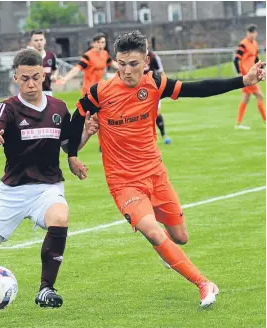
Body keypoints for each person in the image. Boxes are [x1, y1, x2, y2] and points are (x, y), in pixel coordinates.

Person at [66, 31, 265, 308]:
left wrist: (243, 80)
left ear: (146, 61)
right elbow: (74, 123)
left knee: (180, 237)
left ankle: (167, 251)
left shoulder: (155, 83)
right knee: (154, 231)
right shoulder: (99, 93)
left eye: (133, 63)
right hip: (124, 182)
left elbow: (198, 88)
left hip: (156, 174)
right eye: (121, 63)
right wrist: (72, 155)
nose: (126, 70)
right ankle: (204, 283)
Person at [0, 48, 98, 320]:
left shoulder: (59, 108)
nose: (30, 83)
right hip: (12, 192)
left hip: (47, 188)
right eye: (24, 78)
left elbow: (68, 147)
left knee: (60, 217)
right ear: (15, 77)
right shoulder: (8, 108)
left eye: (35, 77)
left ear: (43, 76)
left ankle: (46, 289)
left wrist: (84, 135)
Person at [234, 24, 265, 130]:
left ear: (256, 33)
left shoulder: (255, 44)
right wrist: (239, 72)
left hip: (251, 75)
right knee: (260, 96)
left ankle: (238, 124)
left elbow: (256, 59)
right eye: (249, 32)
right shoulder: (243, 44)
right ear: (247, 33)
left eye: (253, 32)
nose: (251, 34)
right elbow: (236, 59)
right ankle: (265, 121)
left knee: (246, 98)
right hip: (247, 76)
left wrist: (260, 67)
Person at [145, 39, 171, 144]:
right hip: (138, 90)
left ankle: (163, 134)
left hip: (153, 88)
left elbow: (161, 72)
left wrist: (167, 87)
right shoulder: (134, 57)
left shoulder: (153, 57)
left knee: (156, 112)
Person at [30, 30, 59, 96]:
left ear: (45, 41)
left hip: (47, 91)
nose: (39, 42)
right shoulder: (28, 57)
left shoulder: (51, 55)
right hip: (33, 92)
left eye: (41, 40)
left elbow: (55, 69)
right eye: (36, 40)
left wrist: (54, 76)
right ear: (31, 42)